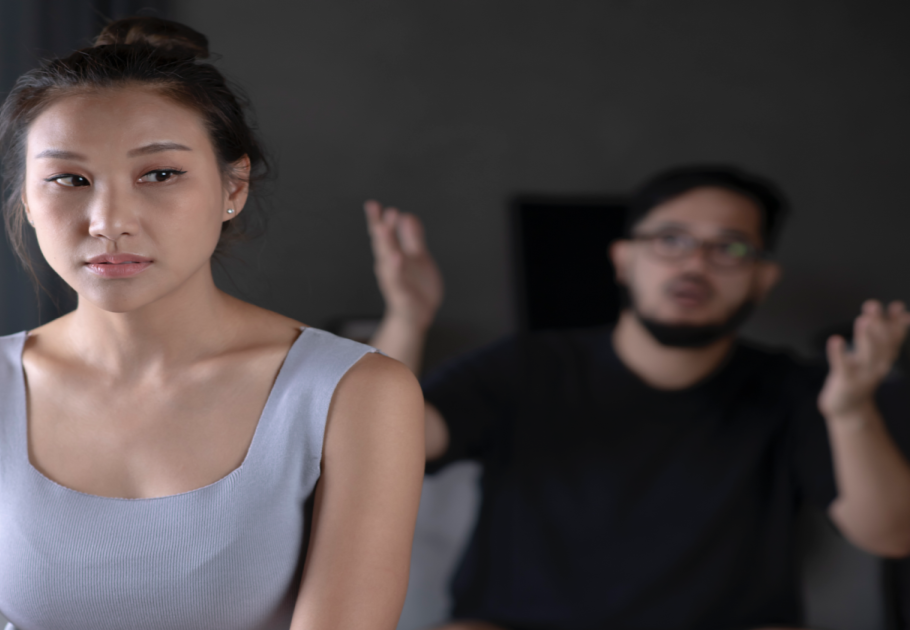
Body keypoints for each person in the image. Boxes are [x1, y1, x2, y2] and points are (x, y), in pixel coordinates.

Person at [0, 17, 425, 630]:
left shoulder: (354, 395)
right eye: (69, 179)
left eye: (160, 174)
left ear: (233, 185)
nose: (108, 221)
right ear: (28, 200)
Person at [364, 165, 910, 630]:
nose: (694, 264)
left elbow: (891, 535)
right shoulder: (529, 366)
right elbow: (382, 451)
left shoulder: (799, 390)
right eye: (670, 240)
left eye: (729, 247)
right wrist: (407, 321)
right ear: (624, 258)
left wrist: (852, 413)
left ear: (763, 278)